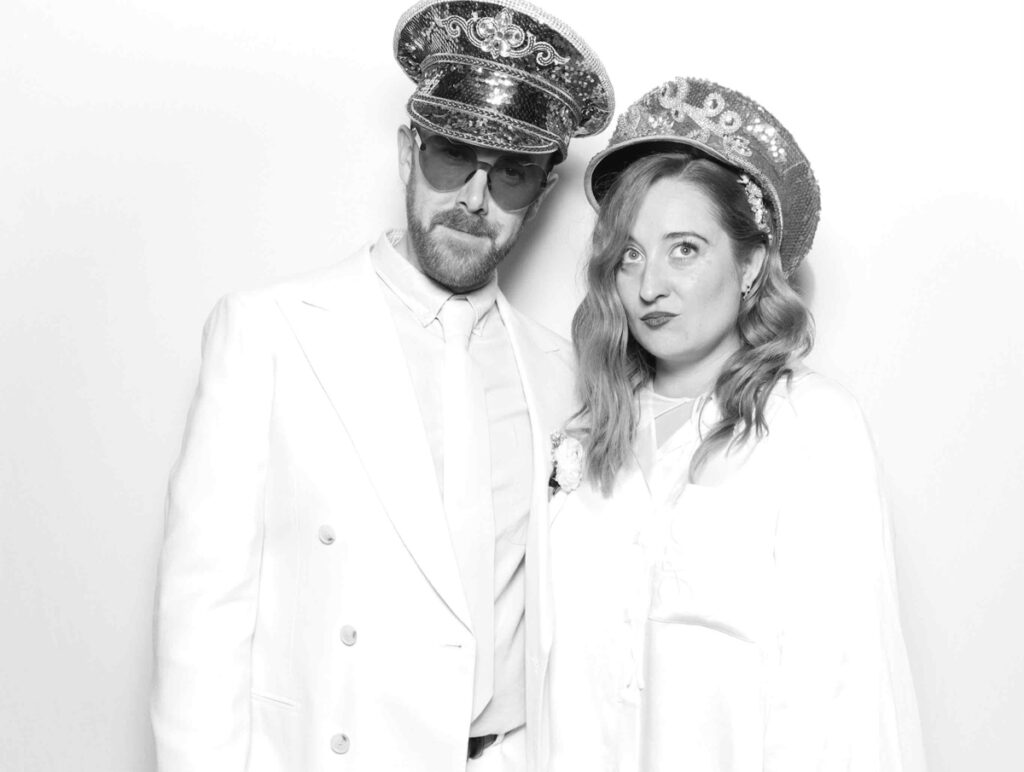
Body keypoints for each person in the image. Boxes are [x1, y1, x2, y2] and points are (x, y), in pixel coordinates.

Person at [150, 2, 612, 770]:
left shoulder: (562, 372)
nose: (473, 198)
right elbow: (202, 617)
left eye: (512, 176)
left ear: (543, 187)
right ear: (407, 150)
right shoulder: (270, 332)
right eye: (451, 159)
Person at [539, 77, 926, 771]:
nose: (649, 284)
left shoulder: (809, 427)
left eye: (684, 248)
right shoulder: (582, 440)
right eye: (629, 254)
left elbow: (850, 696)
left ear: (751, 264)